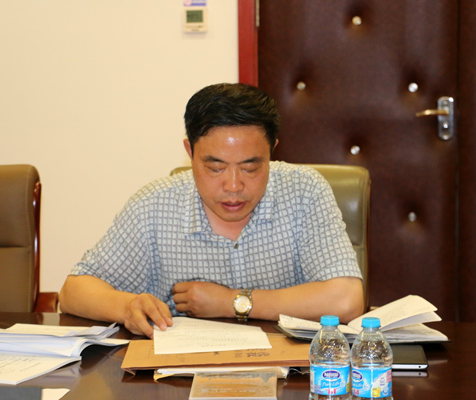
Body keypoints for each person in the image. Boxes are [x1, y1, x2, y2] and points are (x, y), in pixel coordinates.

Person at [59, 83, 364, 338]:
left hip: (288, 375)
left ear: (272, 150)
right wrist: (126, 307)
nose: (233, 186)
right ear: (190, 151)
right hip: (178, 377)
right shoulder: (154, 204)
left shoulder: (304, 192)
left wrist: (231, 301)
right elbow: (73, 292)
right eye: (215, 167)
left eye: (250, 167)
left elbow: (347, 300)